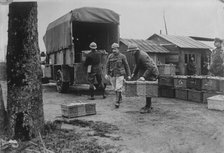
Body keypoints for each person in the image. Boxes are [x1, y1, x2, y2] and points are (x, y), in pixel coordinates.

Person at [127, 43, 159, 114]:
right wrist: (133, 74)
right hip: (148, 71)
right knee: (147, 89)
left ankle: (148, 106)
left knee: (148, 89)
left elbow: (150, 67)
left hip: (152, 72)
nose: (131, 53)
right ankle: (148, 105)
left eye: (132, 51)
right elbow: (137, 65)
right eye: (130, 52)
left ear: (135, 50)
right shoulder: (136, 55)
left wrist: (143, 77)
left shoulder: (142, 56)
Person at [105, 43, 131, 108]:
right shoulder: (110, 56)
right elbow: (107, 66)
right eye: (113, 49)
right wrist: (106, 74)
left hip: (120, 74)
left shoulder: (122, 56)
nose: (114, 50)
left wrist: (129, 75)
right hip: (112, 74)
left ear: (118, 49)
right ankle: (120, 97)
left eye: (115, 49)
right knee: (114, 88)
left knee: (118, 88)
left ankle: (117, 102)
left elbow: (126, 66)